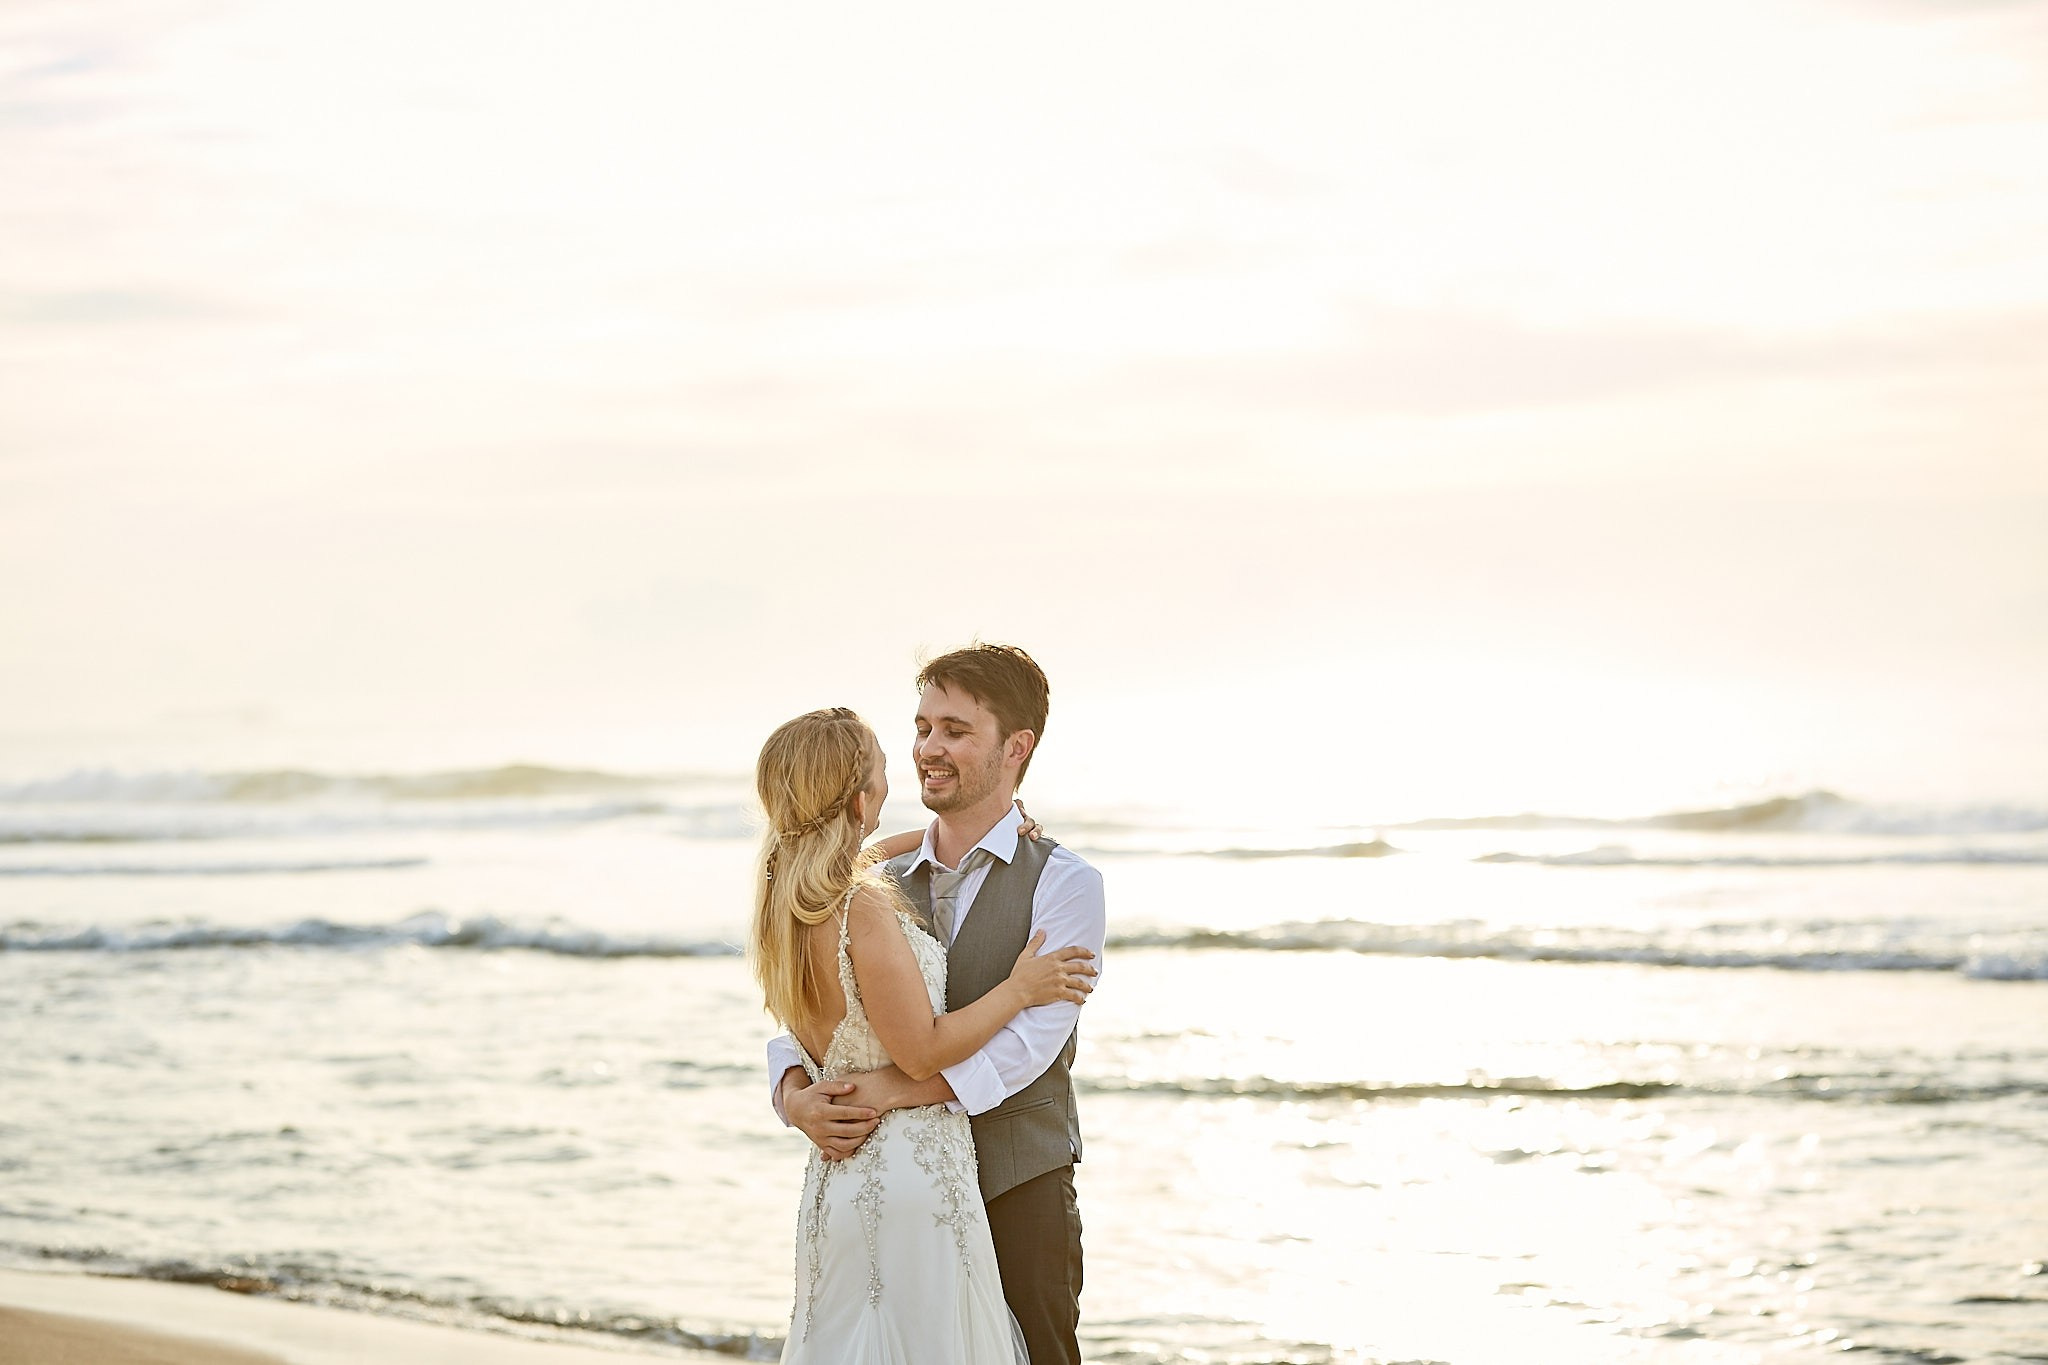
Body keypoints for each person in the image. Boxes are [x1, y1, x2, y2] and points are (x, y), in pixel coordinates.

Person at [767, 645, 1107, 1365]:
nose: (928, 748)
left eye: (955, 730)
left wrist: (892, 1089)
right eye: (922, 728)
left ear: (1016, 747)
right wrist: (793, 1097)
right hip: (891, 1186)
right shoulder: (871, 878)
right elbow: (806, 1018)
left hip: (1017, 1183)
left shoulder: (1066, 881)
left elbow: (1026, 1049)